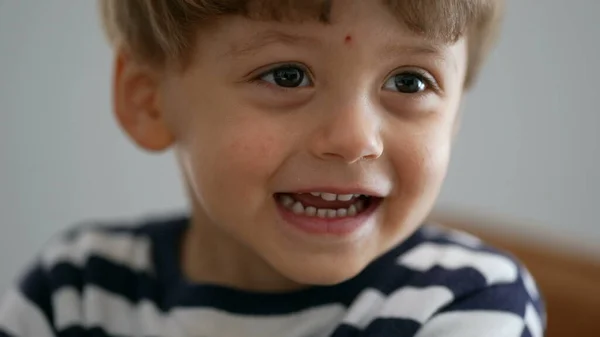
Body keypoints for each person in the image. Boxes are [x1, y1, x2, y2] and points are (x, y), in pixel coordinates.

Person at [0, 1, 546, 336]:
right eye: (287, 75)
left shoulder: (468, 302)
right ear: (149, 101)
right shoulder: (75, 292)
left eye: (409, 82)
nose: (356, 141)